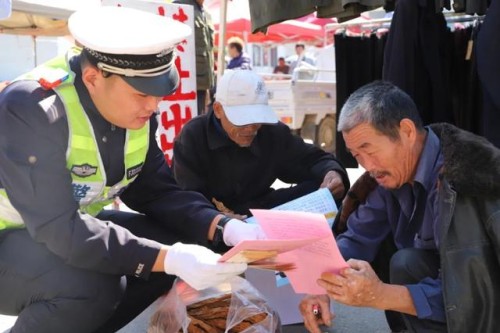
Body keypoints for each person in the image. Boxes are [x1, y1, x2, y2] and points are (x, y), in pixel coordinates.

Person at [0, 7, 264, 333]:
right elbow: (59, 230)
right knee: (91, 287)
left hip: (61, 230)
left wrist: (221, 227)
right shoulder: (34, 107)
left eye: (158, 94)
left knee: (186, 241)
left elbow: (156, 191)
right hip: (15, 237)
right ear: (93, 78)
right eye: (142, 94)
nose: (153, 107)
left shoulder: (134, 110)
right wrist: (167, 258)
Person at [299, 81, 500, 333]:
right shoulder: (388, 178)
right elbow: (357, 237)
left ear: (406, 131)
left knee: (405, 264)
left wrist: (380, 295)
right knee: (406, 262)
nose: (367, 165)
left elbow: (472, 294)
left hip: (487, 309)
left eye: (368, 149)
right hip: (444, 288)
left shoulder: (471, 179)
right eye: (356, 155)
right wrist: (319, 284)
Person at [173, 70, 349, 217]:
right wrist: (216, 220)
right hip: (212, 219)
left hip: (263, 210)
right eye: (242, 120)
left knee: (323, 192)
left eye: (257, 119)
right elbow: (188, 198)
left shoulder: (271, 132)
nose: (251, 128)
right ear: (219, 110)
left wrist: (332, 172)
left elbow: (310, 159)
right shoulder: (193, 136)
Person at [173, 0, 215, 114]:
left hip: (202, 86)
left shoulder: (206, 13)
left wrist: (207, 88)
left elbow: (207, 52)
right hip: (182, 86)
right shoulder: (178, 6)